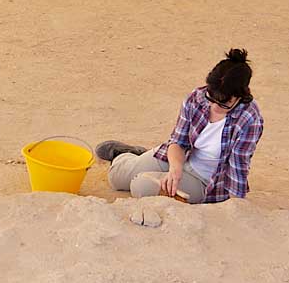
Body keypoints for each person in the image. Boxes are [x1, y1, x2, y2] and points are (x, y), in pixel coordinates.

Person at [97, 49, 264, 204]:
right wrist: (175, 170)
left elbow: (238, 164)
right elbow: (178, 141)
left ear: (241, 95)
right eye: (211, 98)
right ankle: (132, 155)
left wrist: (236, 204)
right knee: (116, 177)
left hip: (204, 178)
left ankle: (145, 161)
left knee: (140, 186)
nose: (214, 106)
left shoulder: (249, 118)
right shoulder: (196, 97)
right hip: (180, 158)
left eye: (223, 103)